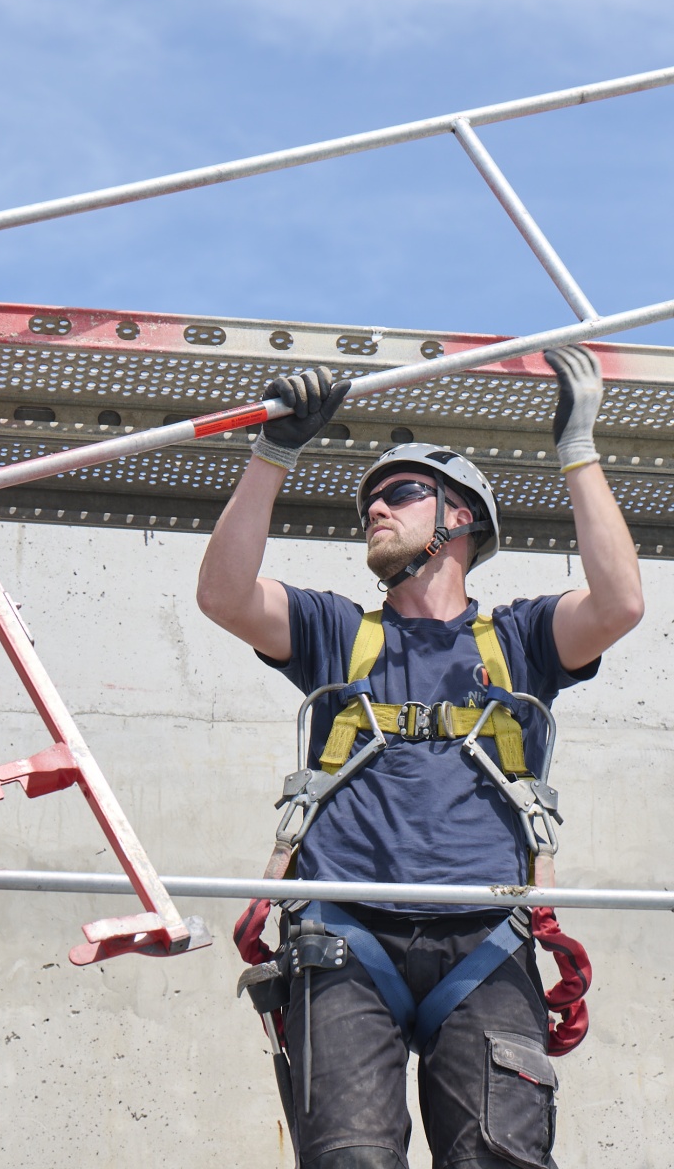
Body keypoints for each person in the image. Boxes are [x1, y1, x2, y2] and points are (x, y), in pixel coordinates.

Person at [197, 347, 643, 1169]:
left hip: (486, 936)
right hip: (343, 933)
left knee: (499, 1158)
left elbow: (618, 604)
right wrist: (273, 452)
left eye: (399, 494)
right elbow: (225, 596)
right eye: (370, 500)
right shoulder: (339, 633)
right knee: (352, 1158)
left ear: (459, 518)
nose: (375, 508)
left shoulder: (519, 641)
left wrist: (579, 449)